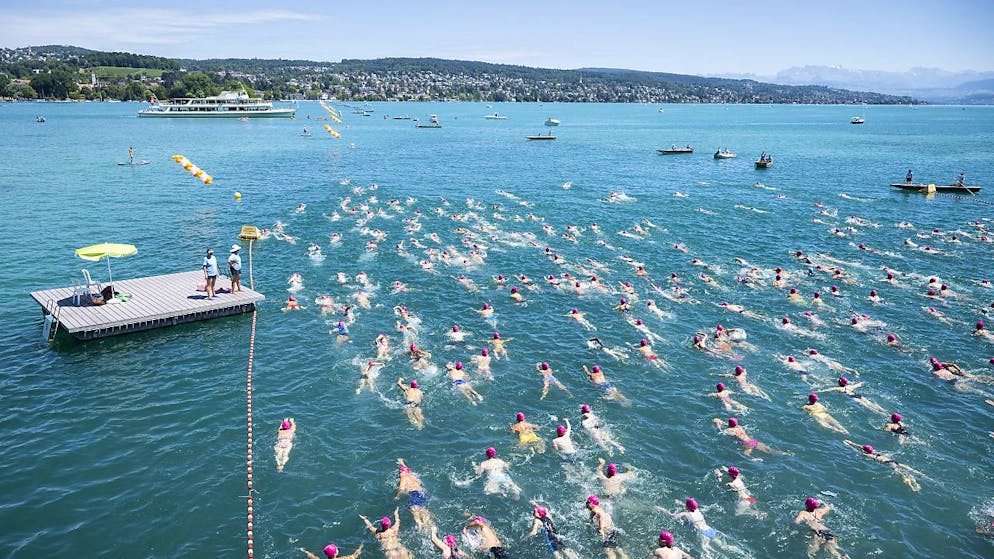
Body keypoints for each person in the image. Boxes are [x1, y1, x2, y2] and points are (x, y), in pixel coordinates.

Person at [843, 440, 921, 491]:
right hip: (892, 461)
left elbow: (861, 452)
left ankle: (913, 486)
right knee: (907, 468)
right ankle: (922, 475)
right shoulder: (875, 452)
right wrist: (850, 443)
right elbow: (862, 447)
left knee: (902, 474)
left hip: (888, 464)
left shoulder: (869, 455)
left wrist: (849, 445)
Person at [395, 458, 432, 530]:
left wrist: (397, 496)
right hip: (422, 493)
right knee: (422, 509)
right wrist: (402, 463)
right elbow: (407, 469)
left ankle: (419, 524)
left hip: (414, 493)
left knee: (414, 509)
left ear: (401, 472)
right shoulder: (412, 475)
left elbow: (401, 488)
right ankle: (429, 524)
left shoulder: (403, 477)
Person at [818, 377, 888, 415]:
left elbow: (829, 389)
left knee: (869, 407)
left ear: (839, 382)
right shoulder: (850, 387)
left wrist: (819, 391)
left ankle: (882, 413)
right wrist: (862, 382)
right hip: (858, 395)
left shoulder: (839, 388)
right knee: (871, 404)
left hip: (852, 398)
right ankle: (884, 411)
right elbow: (858, 384)